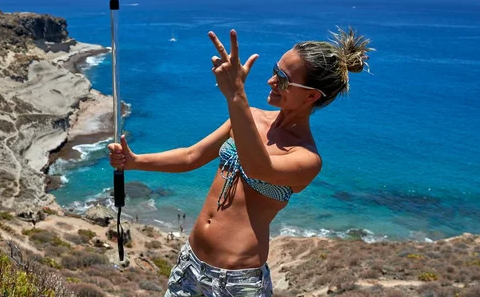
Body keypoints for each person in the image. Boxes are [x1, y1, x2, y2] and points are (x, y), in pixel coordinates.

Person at [108, 28, 372, 296]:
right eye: (274, 70)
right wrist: (134, 161)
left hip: (237, 283)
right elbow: (192, 156)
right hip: (190, 264)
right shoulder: (251, 118)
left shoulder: (306, 158)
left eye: (282, 79)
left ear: (311, 96)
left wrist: (236, 95)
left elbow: (259, 167)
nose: (270, 81)